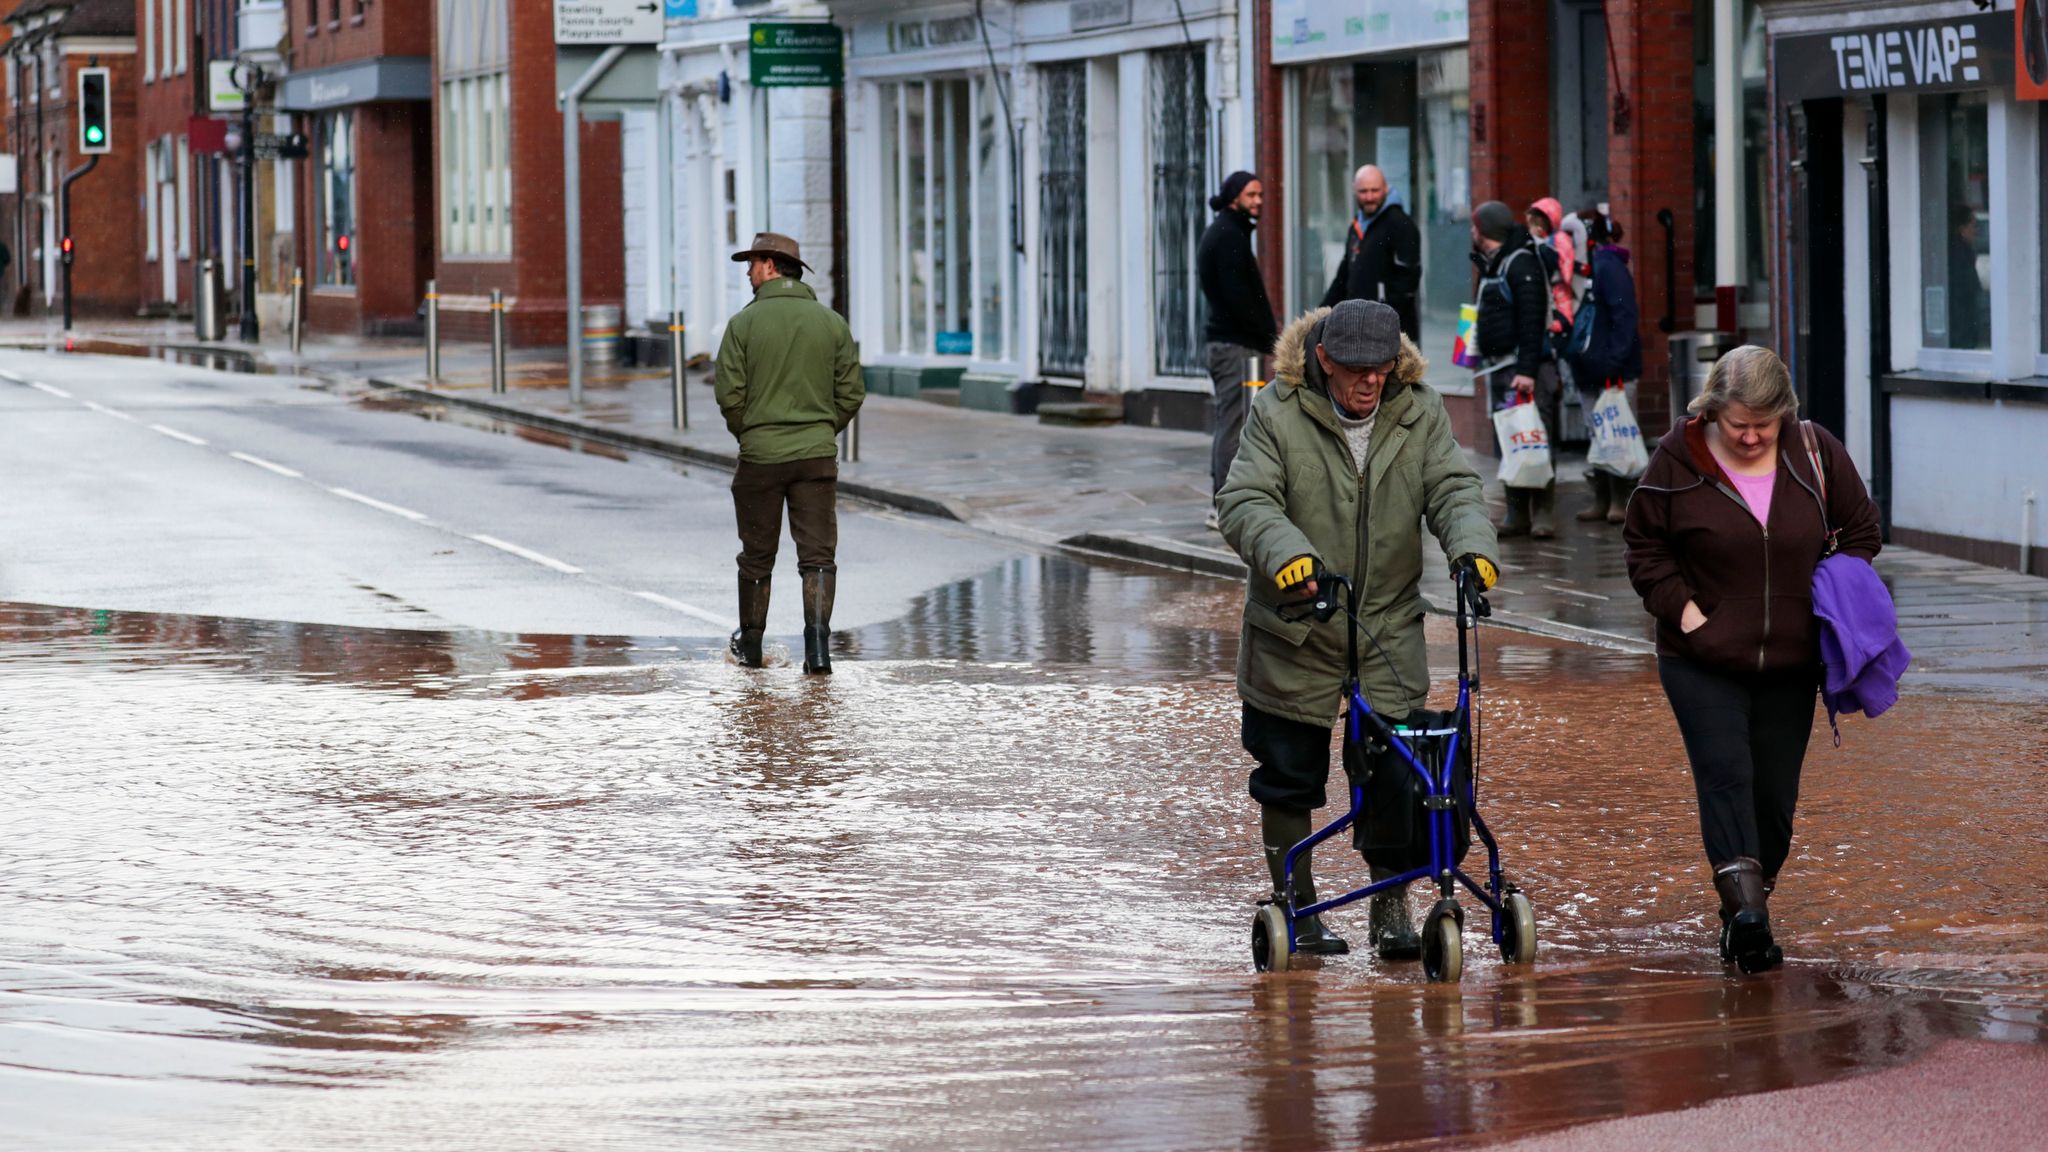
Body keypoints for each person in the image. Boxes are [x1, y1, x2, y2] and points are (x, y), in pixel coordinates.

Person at [1218, 299, 1501, 960]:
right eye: (1354, 370)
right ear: (1323, 360)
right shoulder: (1278, 412)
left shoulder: (1418, 408)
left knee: (1399, 773)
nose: (1369, 382)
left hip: (1386, 624)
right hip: (1295, 623)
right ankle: (1299, 905)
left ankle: (1391, 908)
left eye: (1380, 368)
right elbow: (1244, 499)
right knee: (1288, 773)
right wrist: (1290, 557)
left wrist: (1472, 546)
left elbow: (1454, 487)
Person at [1622, 345, 1881, 974]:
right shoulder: (1676, 460)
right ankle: (1748, 920)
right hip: (1700, 657)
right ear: (1712, 409)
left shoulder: (1815, 453)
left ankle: (1744, 904)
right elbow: (1644, 548)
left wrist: (1824, 595)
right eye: (1737, 422)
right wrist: (1689, 615)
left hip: (1792, 663)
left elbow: (1863, 531)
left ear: (1784, 415)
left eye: (1763, 424)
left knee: (1774, 802)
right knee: (1726, 777)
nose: (1749, 435)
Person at [714, 232, 864, 674]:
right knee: (817, 555)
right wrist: (820, 430)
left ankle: (752, 646)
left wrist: (752, 432)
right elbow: (851, 393)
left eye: (753, 263)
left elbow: (729, 394)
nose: (748, 271)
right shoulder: (831, 323)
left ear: (772, 267)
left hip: (760, 458)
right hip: (815, 458)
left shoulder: (743, 325)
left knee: (757, 555)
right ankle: (817, 651)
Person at [1470, 200, 1559, 538]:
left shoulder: (1521, 263)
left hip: (1524, 369)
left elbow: (1532, 320)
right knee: (1512, 439)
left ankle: (1543, 515)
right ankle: (1517, 513)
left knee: (1537, 437)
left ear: (1484, 230)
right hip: (1501, 368)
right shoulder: (1496, 262)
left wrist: (1527, 370)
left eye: (1475, 226)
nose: (1472, 232)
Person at [1197, 170, 1280, 527]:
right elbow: (1240, 299)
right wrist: (1267, 337)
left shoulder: (1229, 232)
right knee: (1234, 425)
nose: (1258, 201)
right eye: (1251, 195)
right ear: (1234, 198)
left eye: (1261, 194)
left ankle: (1233, 500)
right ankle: (1224, 506)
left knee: (1239, 422)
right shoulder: (1229, 235)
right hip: (1234, 347)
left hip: (1234, 343)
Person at [1568, 207, 1643, 524]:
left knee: (1616, 432)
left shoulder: (1608, 267)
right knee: (1597, 433)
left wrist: (1613, 361)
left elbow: (1624, 318)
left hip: (1612, 371)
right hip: (1589, 369)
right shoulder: (1581, 270)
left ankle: (1620, 498)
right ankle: (1602, 498)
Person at [1319, 165, 1423, 342]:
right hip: (1358, 329)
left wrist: (1383, 318)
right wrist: (1321, 315)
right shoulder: (1356, 226)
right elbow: (1343, 278)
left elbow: (1408, 280)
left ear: (1386, 189)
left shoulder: (1401, 224)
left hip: (1391, 332)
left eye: (1375, 190)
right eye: (1363, 191)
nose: (1369, 197)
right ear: (1354, 190)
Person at [1525, 198, 1576, 332]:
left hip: (1558, 301)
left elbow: (1566, 271)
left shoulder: (1559, 239)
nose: (1530, 230)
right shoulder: (1543, 242)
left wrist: (1542, 246)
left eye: (1532, 225)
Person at [1947, 205, 1984, 350]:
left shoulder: (1961, 250)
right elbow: (1968, 287)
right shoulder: (1960, 252)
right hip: (1961, 326)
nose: (1975, 231)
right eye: (1973, 226)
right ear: (1962, 229)